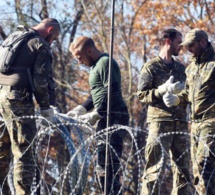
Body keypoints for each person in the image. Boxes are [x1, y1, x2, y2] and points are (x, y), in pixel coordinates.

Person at [0, 18, 60, 194]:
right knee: (25, 151)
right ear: (50, 31)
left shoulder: (15, 36)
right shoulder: (40, 44)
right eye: (54, 38)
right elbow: (41, 81)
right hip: (18, 99)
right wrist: (46, 107)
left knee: (3, 150)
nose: (52, 42)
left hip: (1, 96)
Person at [67, 36, 129, 194]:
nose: (79, 62)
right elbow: (96, 94)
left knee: (109, 166)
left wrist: (97, 113)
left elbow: (112, 92)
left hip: (113, 116)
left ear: (89, 50)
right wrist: (81, 109)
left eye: (79, 57)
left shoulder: (105, 63)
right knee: (102, 166)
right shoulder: (95, 67)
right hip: (104, 117)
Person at [137, 28, 193, 195]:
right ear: (168, 41)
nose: (181, 46)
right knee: (155, 169)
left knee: (183, 171)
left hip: (180, 123)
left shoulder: (181, 68)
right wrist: (160, 91)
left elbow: (187, 93)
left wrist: (181, 94)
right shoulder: (151, 67)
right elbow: (141, 95)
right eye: (178, 42)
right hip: (160, 123)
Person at [163, 28, 215, 195]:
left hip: (211, 121)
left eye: (191, 45)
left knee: (204, 163)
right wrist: (177, 98)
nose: (188, 49)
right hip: (195, 124)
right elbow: (188, 93)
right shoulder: (191, 68)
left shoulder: (214, 65)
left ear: (202, 42)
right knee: (198, 169)